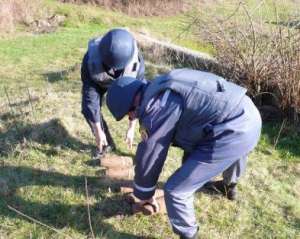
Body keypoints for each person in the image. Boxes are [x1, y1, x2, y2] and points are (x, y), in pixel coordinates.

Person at [106, 68, 262, 239]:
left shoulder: (156, 106)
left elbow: (151, 152)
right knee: (233, 150)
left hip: (234, 129)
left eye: (128, 114)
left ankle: (189, 235)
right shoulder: (160, 85)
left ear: (131, 104)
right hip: (247, 113)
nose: (131, 118)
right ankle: (229, 186)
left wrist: (144, 195)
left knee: (176, 189)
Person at [81, 28, 145, 158]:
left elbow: (138, 100)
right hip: (99, 81)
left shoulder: (136, 63)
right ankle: (105, 144)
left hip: (125, 83)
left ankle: (145, 150)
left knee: (144, 103)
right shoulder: (90, 61)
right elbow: (90, 99)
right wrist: (98, 130)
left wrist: (131, 127)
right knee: (88, 110)